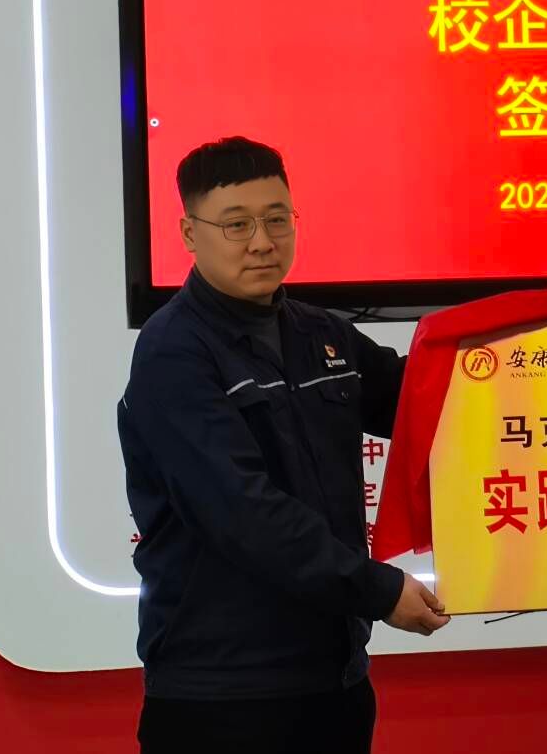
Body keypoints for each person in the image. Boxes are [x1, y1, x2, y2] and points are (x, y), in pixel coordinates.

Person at [117, 136, 447, 754]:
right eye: (236, 225)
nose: (262, 242)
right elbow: (242, 512)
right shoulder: (173, 353)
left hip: (335, 680)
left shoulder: (322, 334)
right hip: (222, 695)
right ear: (189, 234)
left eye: (276, 219)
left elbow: (428, 402)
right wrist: (378, 591)